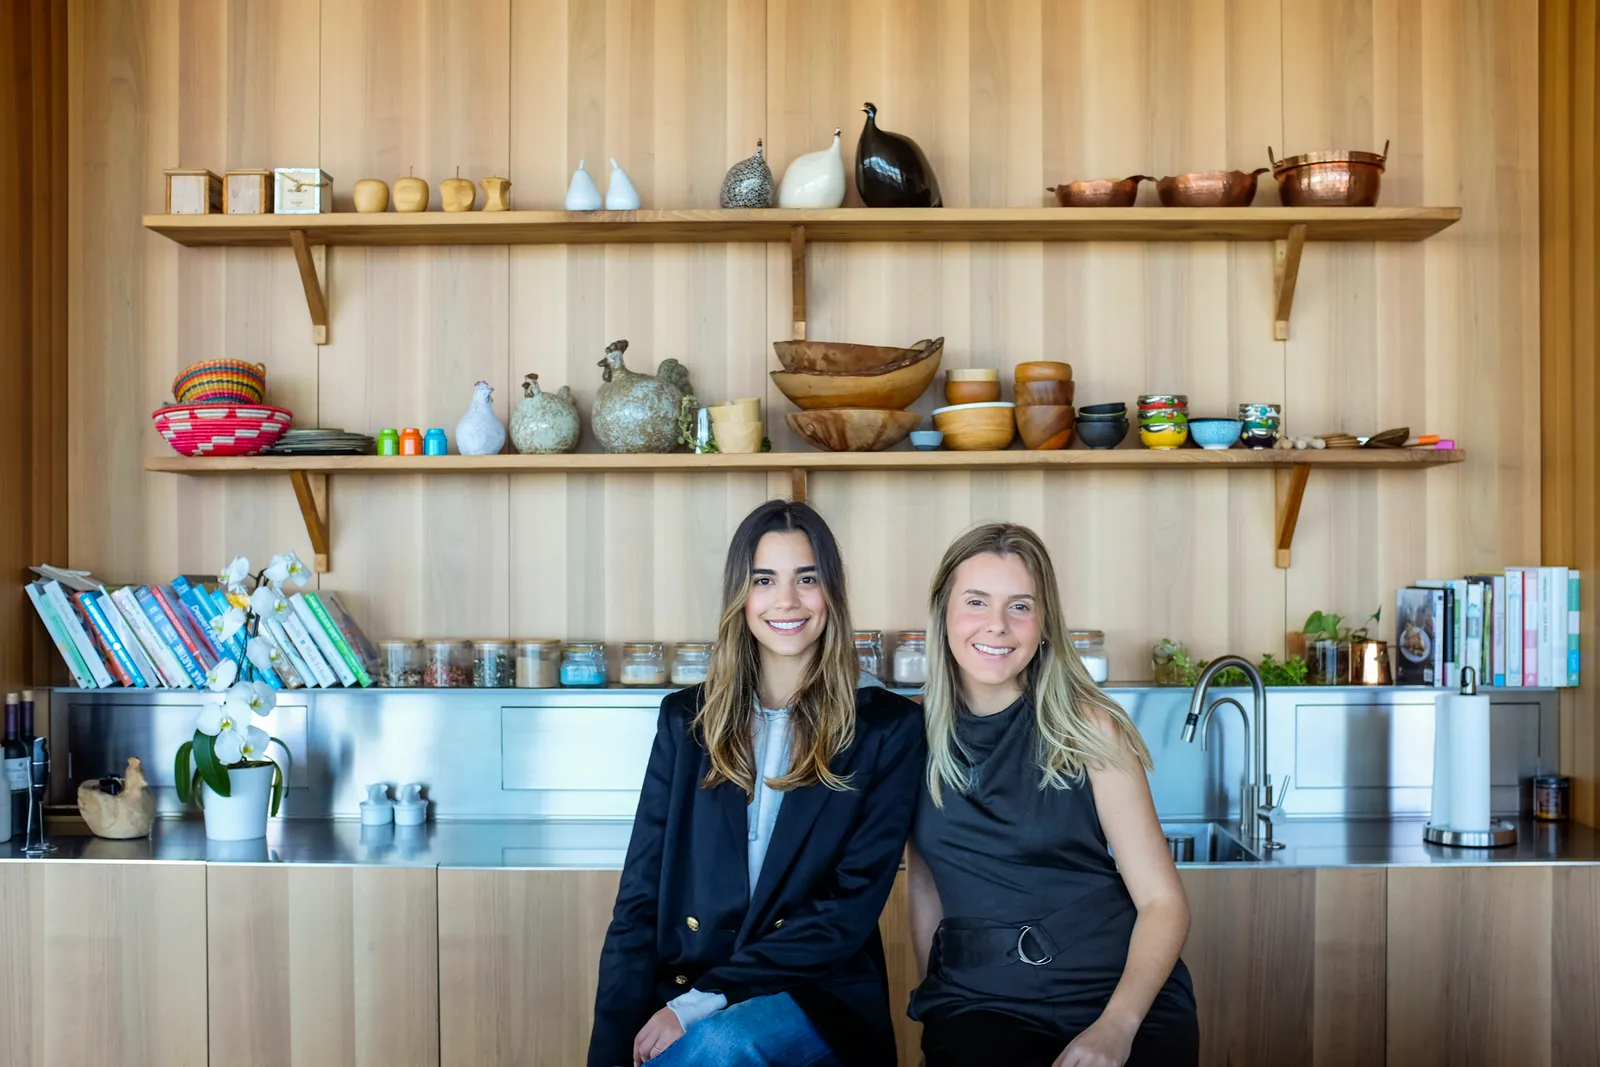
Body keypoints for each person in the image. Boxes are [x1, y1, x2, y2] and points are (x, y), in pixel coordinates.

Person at [588, 499, 925, 1067]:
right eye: (764, 580)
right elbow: (640, 902)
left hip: (815, 991)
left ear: (831, 594)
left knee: (723, 1044)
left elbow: (845, 911)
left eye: (807, 578)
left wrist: (698, 1004)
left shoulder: (888, 728)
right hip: (684, 986)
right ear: (740, 597)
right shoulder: (685, 720)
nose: (786, 600)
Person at [906, 522, 1198, 1067]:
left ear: (1044, 624)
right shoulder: (908, 736)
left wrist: (1117, 1027)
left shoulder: (1090, 729)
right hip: (980, 999)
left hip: (1115, 990)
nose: (997, 625)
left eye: (1020, 606)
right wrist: (938, 1014)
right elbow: (926, 886)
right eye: (976, 602)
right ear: (943, 612)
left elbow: (1163, 904)